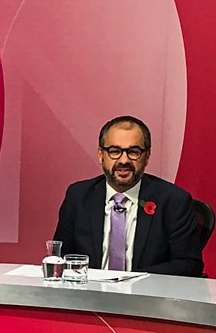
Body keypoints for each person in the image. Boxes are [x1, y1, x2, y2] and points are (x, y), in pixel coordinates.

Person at [52, 115, 203, 276]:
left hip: (147, 291)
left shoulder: (174, 201)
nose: (124, 160)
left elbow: (189, 264)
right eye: (114, 151)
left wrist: (132, 280)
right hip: (89, 290)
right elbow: (60, 257)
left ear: (147, 156)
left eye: (133, 152)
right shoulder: (78, 196)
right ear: (101, 155)